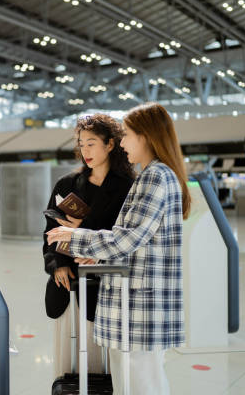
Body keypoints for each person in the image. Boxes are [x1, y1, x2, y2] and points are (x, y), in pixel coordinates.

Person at [47, 102, 191, 395]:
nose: (122, 142)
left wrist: (75, 237)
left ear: (146, 136)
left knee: (140, 384)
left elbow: (127, 238)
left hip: (139, 307)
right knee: (134, 383)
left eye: (126, 135)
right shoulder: (156, 175)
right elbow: (134, 243)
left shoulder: (154, 177)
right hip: (136, 304)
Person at [43, 113, 134, 378]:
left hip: (106, 287)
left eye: (91, 143)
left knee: (100, 359)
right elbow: (50, 230)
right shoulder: (67, 184)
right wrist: (56, 264)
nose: (85, 150)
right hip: (67, 283)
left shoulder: (127, 188)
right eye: (81, 144)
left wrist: (92, 246)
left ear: (110, 145)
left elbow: (125, 237)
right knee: (67, 359)